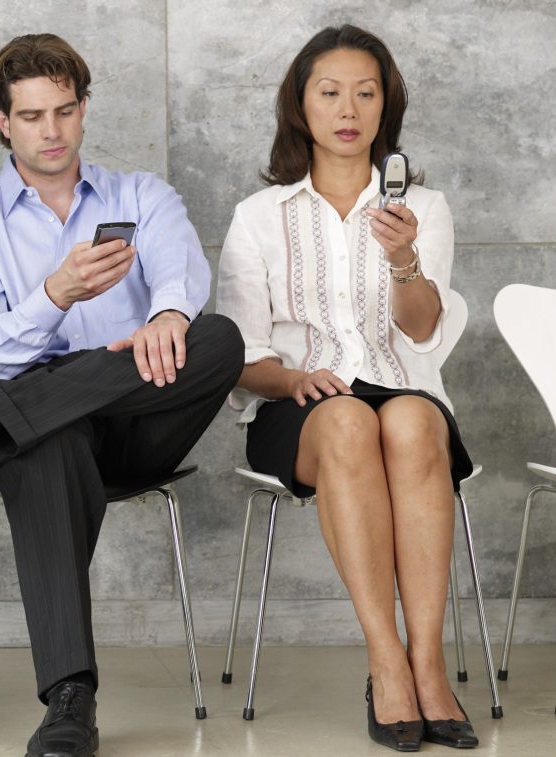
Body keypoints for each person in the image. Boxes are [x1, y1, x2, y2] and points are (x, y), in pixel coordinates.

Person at [0, 33, 242, 757]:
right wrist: (55, 295)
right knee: (48, 436)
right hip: (40, 436)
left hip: (134, 419)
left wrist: (167, 314)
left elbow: (181, 271)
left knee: (219, 337)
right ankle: (70, 699)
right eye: (32, 116)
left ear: (84, 107)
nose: (53, 130)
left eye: (65, 111)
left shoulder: (141, 194)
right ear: (2, 120)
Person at [216, 24, 477, 752]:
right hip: (298, 405)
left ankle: (428, 663)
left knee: (410, 422)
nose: (348, 109)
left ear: (385, 105)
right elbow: (242, 357)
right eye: (330, 92)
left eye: (365, 93)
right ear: (301, 106)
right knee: (346, 420)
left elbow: (422, 332)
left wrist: (403, 259)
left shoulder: (424, 208)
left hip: (402, 393)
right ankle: (386, 659)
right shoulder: (259, 216)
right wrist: (298, 377)